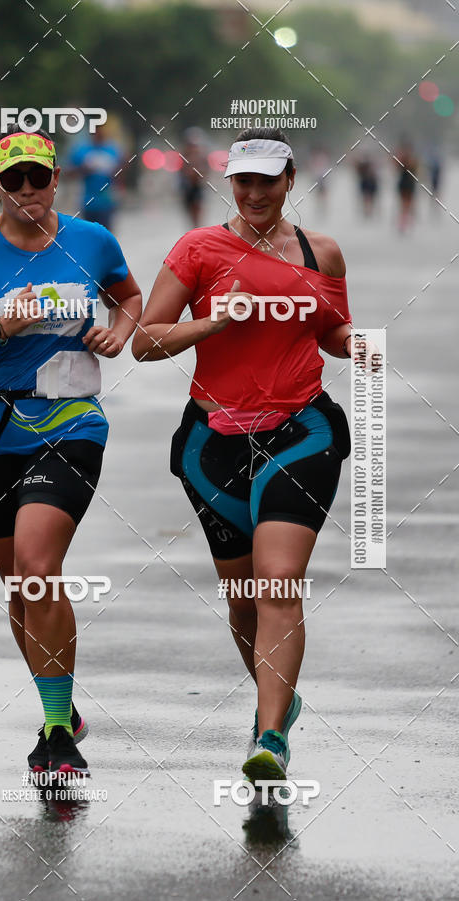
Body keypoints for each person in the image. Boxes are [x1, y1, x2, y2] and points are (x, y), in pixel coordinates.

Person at [0, 125, 141, 780]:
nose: (26, 191)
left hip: (72, 424)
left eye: (36, 177)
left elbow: (128, 295)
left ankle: (54, 734)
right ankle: (62, 709)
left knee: (39, 565)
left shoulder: (92, 242)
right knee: (20, 588)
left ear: (55, 179)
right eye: (11, 179)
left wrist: (119, 332)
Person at [132, 127, 352, 786]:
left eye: (268, 180)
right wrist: (212, 321)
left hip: (303, 430)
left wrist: (358, 343)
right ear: (231, 182)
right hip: (213, 443)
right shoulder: (198, 249)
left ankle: (269, 734)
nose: (255, 192)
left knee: (278, 581)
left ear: (290, 181)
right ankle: (279, 695)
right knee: (244, 601)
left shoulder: (323, 252)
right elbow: (145, 342)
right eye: (243, 180)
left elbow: (333, 330)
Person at [67, 123, 123, 232]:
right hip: (88, 202)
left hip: (107, 201)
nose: (99, 133)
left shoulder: (112, 150)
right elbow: (69, 172)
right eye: (96, 130)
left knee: (105, 237)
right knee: (90, 237)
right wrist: (84, 169)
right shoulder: (82, 150)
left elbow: (121, 172)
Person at [178, 128, 208, 228]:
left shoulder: (202, 156)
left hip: (198, 187)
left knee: (198, 210)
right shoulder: (184, 156)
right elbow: (181, 172)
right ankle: (194, 228)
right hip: (188, 187)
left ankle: (197, 228)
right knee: (190, 211)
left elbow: (206, 171)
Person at [394, 139, 419, 232]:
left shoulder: (413, 159)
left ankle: (408, 222)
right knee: (403, 205)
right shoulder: (401, 158)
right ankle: (403, 224)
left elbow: (417, 171)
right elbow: (396, 167)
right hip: (403, 183)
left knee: (409, 205)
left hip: (410, 183)